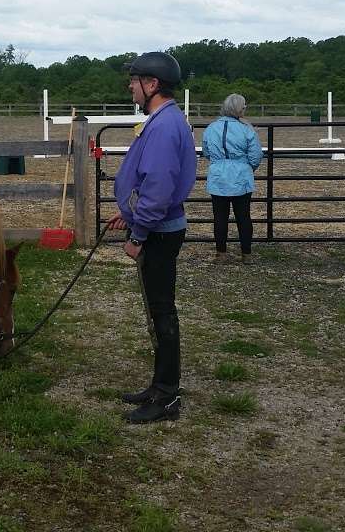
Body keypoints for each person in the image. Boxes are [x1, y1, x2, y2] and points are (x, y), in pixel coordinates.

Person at [108, 51, 197, 424]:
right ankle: (161, 386)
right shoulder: (164, 120)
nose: (130, 85)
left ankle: (166, 396)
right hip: (156, 227)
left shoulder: (162, 126)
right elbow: (150, 183)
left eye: (135, 80)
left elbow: (159, 188)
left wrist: (138, 232)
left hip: (157, 232)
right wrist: (127, 212)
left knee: (162, 313)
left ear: (152, 84)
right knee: (158, 311)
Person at [202, 94, 263, 262]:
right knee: (243, 217)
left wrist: (219, 162)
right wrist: (247, 167)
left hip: (218, 176)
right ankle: (246, 254)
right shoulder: (246, 129)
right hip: (241, 176)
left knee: (220, 217)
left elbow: (206, 151)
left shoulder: (211, 128)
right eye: (243, 107)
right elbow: (256, 155)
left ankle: (221, 253)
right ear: (239, 109)